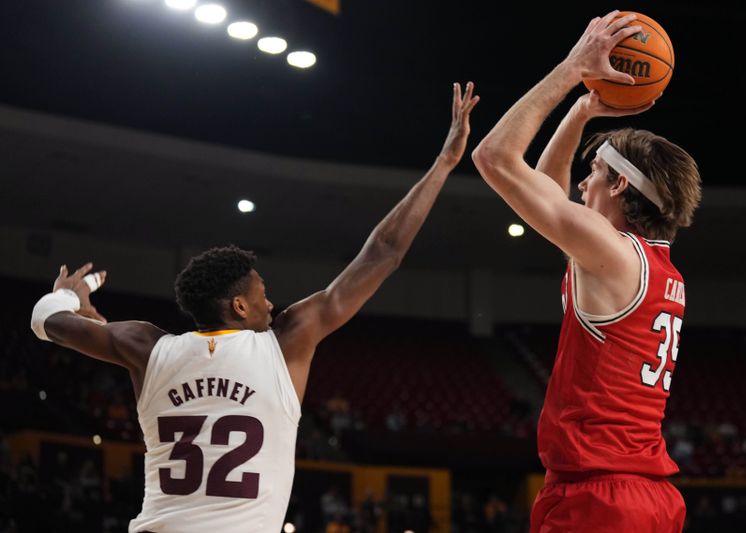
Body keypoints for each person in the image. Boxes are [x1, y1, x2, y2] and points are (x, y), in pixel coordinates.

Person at [30, 82, 479, 533]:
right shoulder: (285, 344)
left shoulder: (145, 346)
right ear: (240, 305)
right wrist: (444, 163)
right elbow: (383, 251)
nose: (271, 301)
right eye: (262, 292)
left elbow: (46, 319)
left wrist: (73, 293)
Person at [472, 11, 701, 533]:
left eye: (594, 173)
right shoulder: (652, 266)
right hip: (646, 498)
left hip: (601, 500)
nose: (580, 185)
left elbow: (495, 158)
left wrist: (573, 68)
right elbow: (551, 192)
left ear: (620, 187)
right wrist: (581, 112)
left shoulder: (614, 254)